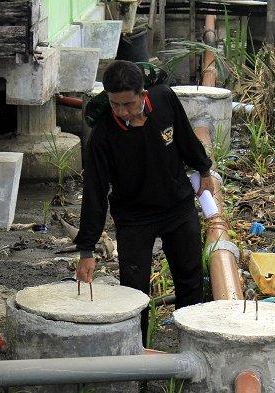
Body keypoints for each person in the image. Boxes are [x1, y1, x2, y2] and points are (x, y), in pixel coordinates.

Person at [73, 60, 214, 341]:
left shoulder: (164, 99)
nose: (123, 111)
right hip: (135, 218)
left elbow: (185, 137)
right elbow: (95, 193)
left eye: (129, 104)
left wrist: (204, 168)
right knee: (134, 292)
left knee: (190, 279)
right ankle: (138, 356)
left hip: (177, 206)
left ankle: (190, 345)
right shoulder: (102, 136)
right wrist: (87, 249)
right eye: (115, 105)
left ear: (143, 94)